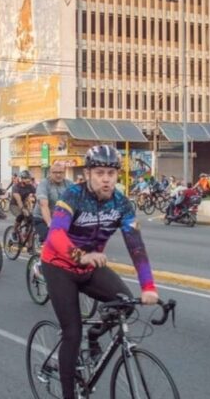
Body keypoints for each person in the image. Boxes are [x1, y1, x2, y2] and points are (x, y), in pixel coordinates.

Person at [41, 145, 158, 399]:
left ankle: (95, 336)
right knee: (72, 333)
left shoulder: (121, 204)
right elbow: (55, 234)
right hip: (59, 266)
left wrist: (148, 287)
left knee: (125, 303)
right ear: (88, 173)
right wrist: (81, 256)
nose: (106, 179)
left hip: (90, 266)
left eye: (111, 174)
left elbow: (136, 247)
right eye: (100, 173)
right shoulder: (73, 196)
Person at [32, 162, 73, 242]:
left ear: (64, 173)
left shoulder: (69, 184)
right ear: (50, 173)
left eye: (60, 172)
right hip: (42, 219)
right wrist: (50, 224)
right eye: (55, 172)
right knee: (52, 240)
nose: (58, 175)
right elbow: (43, 205)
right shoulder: (44, 184)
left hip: (60, 219)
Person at [10, 170, 37, 241]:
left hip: (25, 205)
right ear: (22, 179)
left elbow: (38, 195)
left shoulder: (30, 186)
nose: (29, 180)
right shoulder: (16, 187)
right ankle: (14, 231)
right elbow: (18, 200)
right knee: (21, 215)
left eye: (29, 178)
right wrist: (23, 209)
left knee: (30, 220)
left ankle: (30, 247)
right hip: (14, 206)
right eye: (27, 178)